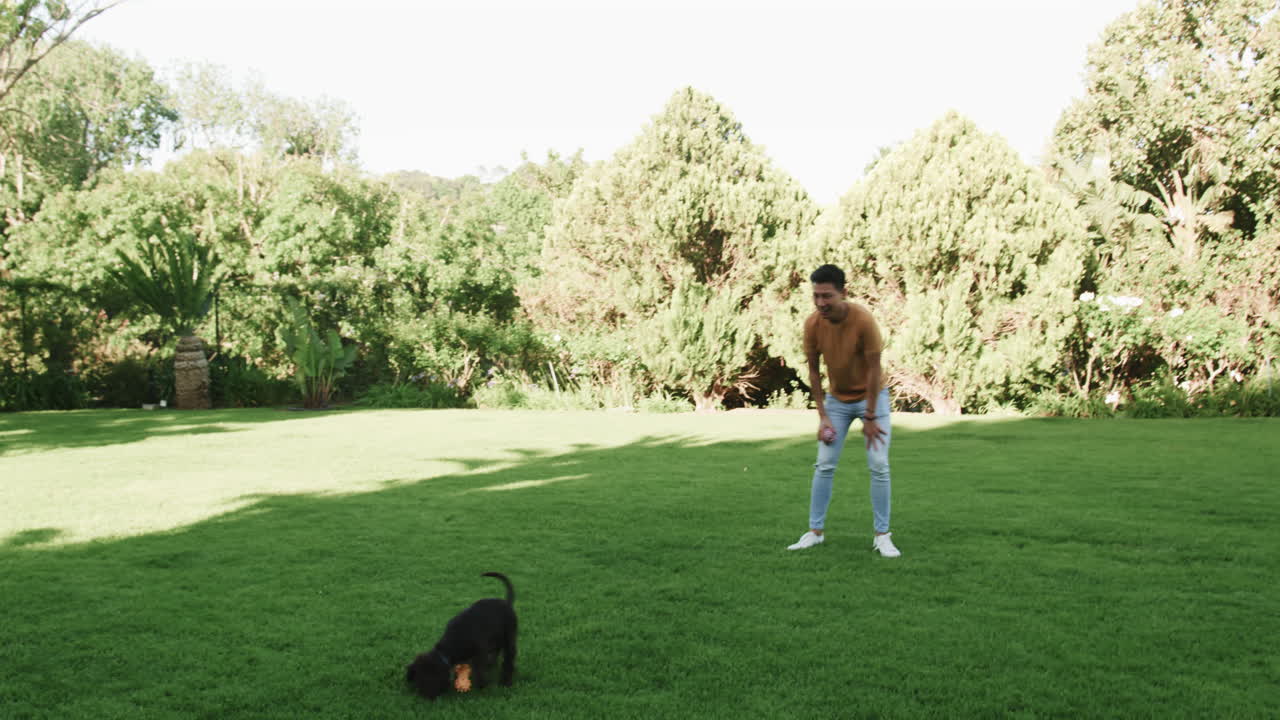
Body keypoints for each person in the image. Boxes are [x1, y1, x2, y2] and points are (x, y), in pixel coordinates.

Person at [786, 264, 901, 558]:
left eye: (827, 296)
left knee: (878, 464)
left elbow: (875, 370)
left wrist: (871, 416)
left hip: (872, 397)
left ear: (843, 293)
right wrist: (823, 416)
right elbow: (813, 373)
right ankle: (815, 532)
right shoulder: (813, 324)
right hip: (837, 401)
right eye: (816, 296)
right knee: (824, 464)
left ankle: (882, 536)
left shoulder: (863, 320)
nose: (821, 303)